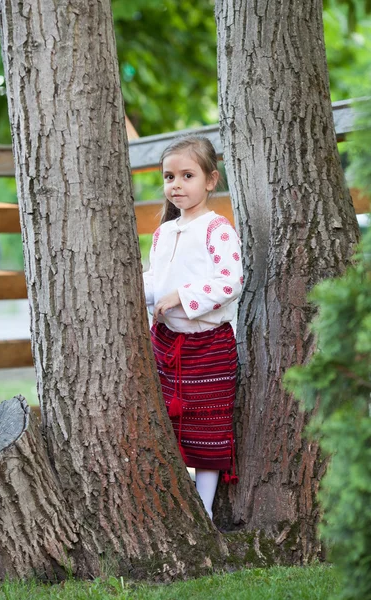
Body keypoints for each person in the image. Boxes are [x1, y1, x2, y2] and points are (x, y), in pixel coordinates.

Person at [143, 135, 243, 520]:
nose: (177, 185)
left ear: (211, 180)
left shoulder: (216, 229)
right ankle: (173, 503)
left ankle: (203, 510)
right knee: (163, 421)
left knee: (208, 427)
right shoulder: (164, 232)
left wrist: (182, 297)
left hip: (208, 346)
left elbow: (230, 279)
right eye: (170, 177)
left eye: (187, 175)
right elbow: (155, 278)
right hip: (167, 345)